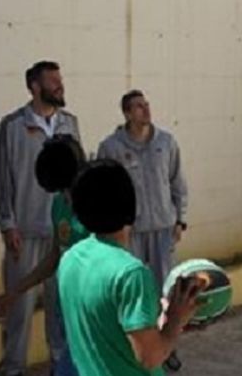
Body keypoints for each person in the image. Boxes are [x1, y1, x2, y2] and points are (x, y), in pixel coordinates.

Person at [58, 159, 203, 375]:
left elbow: (106, 326)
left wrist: (155, 315)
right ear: (132, 208)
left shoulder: (70, 259)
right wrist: (175, 319)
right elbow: (150, 357)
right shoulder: (131, 274)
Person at [0, 60, 82, 376]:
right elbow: (1, 178)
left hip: (64, 231)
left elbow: (78, 175)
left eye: (60, 79)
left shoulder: (70, 123)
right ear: (34, 86)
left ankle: (60, 367)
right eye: (53, 81)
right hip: (26, 232)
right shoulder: (12, 125)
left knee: (60, 311)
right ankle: (12, 369)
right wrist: (8, 225)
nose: (60, 85)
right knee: (20, 310)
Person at [97, 91, 189, 371]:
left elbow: (177, 182)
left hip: (162, 230)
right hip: (129, 232)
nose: (145, 110)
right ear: (126, 113)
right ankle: (131, 349)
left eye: (146, 104)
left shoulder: (166, 142)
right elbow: (103, 187)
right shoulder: (111, 148)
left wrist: (180, 219)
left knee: (164, 291)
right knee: (132, 292)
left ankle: (166, 348)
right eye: (138, 107)